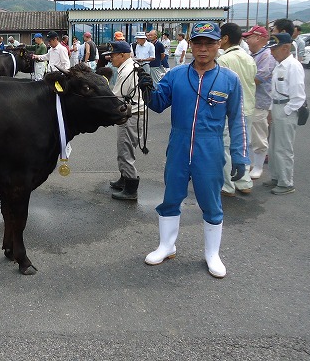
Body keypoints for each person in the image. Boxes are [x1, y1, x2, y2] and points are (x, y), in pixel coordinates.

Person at [141, 22, 249, 279]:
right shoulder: (176, 75)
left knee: (211, 202)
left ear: (219, 44)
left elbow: (237, 120)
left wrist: (240, 155)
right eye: (198, 43)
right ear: (190, 44)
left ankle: (212, 253)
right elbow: (158, 104)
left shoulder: (229, 79)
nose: (203, 49)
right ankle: (167, 246)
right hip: (178, 144)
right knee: (171, 197)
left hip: (210, 147)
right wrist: (147, 90)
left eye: (209, 43)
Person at [264, 32, 306, 195]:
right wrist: (271, 111)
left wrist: (286, 112)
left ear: (286, 47)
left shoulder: (292, 66)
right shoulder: (280, 65)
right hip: (277, 107)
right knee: (274, 146)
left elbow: (298, 97)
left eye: (275, 49)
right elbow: (275, 92)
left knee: (284, 148)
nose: (272, 52)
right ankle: (276, 177)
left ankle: (286, 182)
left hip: (286, 109)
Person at [217, 23, 257, 197]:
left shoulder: (224, 60)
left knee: (226, 146)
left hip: (230, 110)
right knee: (242, 145)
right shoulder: (249, 57)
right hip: (248, 108)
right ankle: (244, 182)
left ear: (225, 38)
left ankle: (227, 185)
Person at [105, 40, 144, 201]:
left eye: (113, 55)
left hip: (131, 115)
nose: (110, 58)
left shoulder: (127, 70)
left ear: (122, 55)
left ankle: (131, 189)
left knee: (125, 152)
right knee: (124, 149)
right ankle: (124, 178)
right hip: (133, 113)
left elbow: (116, 96)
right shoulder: (129, 67)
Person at [242, 25, 277, 179]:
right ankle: (251, 163)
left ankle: (258, 166)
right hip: (250, 101)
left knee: (258, 135)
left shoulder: (267, 56)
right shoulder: (253, 54)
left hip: (260, 101)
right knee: (248, 135)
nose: (247, 40)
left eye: (249, 37)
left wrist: (242, 81)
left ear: (260, 38)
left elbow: (259, 78)